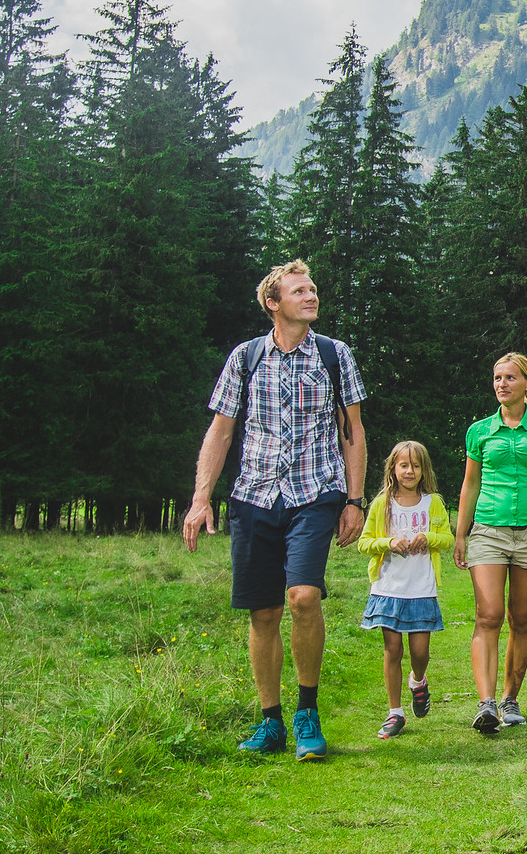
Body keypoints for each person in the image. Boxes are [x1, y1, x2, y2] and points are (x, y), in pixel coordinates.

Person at [183, 260, 367, 762]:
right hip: (253, 495)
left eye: (313, 289)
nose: (311, 296)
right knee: (263, 612)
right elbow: (220, 431)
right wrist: (201, 498)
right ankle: (271, 721)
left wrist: (355, 499)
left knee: (304, 597)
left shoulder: (335, 355)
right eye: (299, 290)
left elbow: (353, 431)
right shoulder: (245, 358)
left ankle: (307, 712)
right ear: (273, 303)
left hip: (315, 492)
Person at [452, 353, 527, 736]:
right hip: (488, 531)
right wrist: (460, 533)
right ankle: (485, 705)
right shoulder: (479, 431)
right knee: (488, 615)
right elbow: (470, 485)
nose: (502, 384)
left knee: (522, 619)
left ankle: (510, 699)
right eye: (497, 378)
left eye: (510, 378)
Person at [358, 440, 452, 739]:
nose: (409, 471)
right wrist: (387, 543)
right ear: (393, 469)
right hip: (387, 588)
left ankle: (418, 679)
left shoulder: (433, 502)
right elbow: (364, 543)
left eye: (415, 466)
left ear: (424, 470)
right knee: (392, 649)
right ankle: (394, 713)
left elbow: (447, 538)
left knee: (420, 651)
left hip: (421, 589)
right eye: (403, 465)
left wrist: (429, 537)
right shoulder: (381, 504)